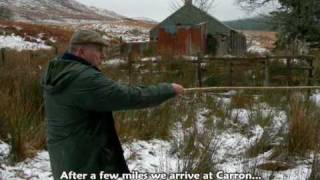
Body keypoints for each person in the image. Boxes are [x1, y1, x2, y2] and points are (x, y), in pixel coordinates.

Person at [41, 30, 184, 180]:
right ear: (81, 51)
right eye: (98, 50)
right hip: (88, 163)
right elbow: (129, 96)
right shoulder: (83, 78)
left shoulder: (59, 70)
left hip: (66, 157)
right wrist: (168, 89)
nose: (103, 55)